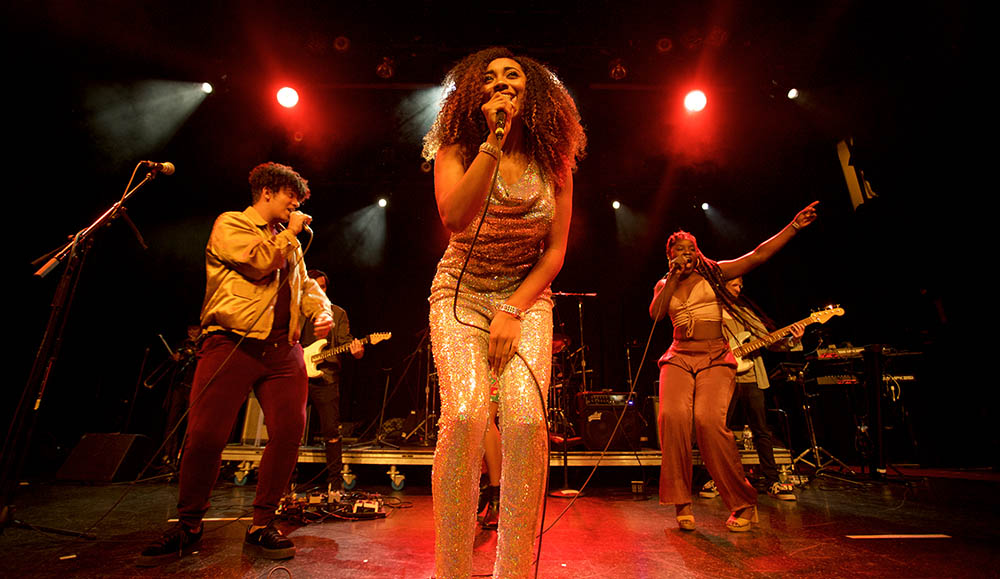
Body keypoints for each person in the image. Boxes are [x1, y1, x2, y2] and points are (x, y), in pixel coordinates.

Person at [422, 46, 585, 577]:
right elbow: (453, 217)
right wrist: (492, 142)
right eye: (489, 79)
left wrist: (514, 308)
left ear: (530, 91)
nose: (500, 83)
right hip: (460, 291)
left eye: (511, 76)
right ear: (475, 96)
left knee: (525, 422)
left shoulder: (554, 161)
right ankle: (451, 569)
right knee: (467, 415)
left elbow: (556, 252)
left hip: (525, 294)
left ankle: (513, 570)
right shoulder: (457, 146)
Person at [139, 162, 333, 566]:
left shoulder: (289, 241)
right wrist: (291, 237)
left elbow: (305, 285)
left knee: (289, 433)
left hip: (283, 350)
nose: (296, 204)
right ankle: (189, 524)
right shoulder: (231, 225)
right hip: (232, 343)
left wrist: (321, 310)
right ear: (267, 192)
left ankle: (263, 523)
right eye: (290, 196)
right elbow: (258, 263)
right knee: (206, 435)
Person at [649, 201, 818, 532]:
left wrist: (794, 226)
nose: (686, 255)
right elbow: (656, 315)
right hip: (679, 356)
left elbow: (757, 255)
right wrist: (671, 277)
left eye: (691, 249)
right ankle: (682, 500)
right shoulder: (663, 284)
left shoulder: (716, 274)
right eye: (679, 251)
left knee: (709, 422)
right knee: (672, 418)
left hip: (714, 356)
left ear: (699, 252)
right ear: (670, 256)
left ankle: (743, 503)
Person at [699, 276, 804, 502]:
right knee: (718, 431)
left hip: (751, 376)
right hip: (722, 377)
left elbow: (769, 341)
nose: (739, 289)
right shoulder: (709, 311)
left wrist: (792, 341)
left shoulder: (745, 312)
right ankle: (717, 479)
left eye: (740, 286)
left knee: (761, 430)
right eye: (734, 285)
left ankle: (772, 480)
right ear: (722, 287)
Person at [301, 269, 364, 491]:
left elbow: (346, 341)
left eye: (323, 286)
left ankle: (334, 485)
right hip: (296, 377)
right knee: (287, 431)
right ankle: (282, 485)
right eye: (314, 285)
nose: (319, 290)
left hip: (326, 378)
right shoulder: (296, 311)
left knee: (331, 431)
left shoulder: (337, 314)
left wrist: (357, 351)